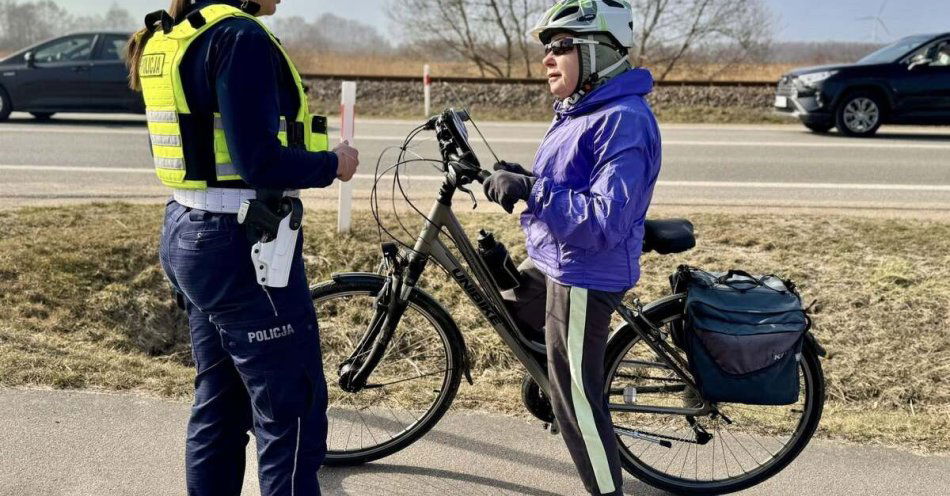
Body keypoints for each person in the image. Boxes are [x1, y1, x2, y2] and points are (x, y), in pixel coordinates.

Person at [126, 1, 359, 495]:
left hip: (189, 228)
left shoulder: (174, 36)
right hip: (240, 241)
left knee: (222, 401)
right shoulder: (239, 37)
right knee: (289, 410)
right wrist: (331, 163)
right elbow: (259, 161)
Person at [483, 1, 661, 494]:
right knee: (513, 306)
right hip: (556, 256)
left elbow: (604, 219)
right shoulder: (585, 110)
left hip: (585, 271)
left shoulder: (622, 120)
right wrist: (526, 178)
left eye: (561, 46)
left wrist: (533, 192)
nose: (547, 57)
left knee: (576, 400)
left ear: (599, 53)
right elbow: (569, 181)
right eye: (546, 48)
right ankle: (550, 378)